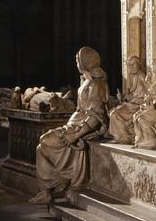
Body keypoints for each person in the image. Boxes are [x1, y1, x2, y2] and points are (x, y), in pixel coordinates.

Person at [29, 47, 109, 205]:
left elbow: (96, 115)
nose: (76, 62)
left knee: (45, 140)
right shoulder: (86, 81)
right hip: (74, 125)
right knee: (40, 148)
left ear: (86, 61)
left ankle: (62, 179)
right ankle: (46, 190)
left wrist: (76, 135)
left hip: (82, 129)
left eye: (78, 60)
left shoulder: (96, 84)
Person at [108, 55, 147, 143]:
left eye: (133, 65)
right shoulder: (136, 76)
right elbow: (133, 94)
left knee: (115, 113)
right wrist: (122, 97)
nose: (131, 67)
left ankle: (123, 137)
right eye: (129, 65)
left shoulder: (141, 75)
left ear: (138, 64)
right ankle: (121, 136)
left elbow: (147, 92)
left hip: (138, 105)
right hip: (133, 103)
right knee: (113, 112)